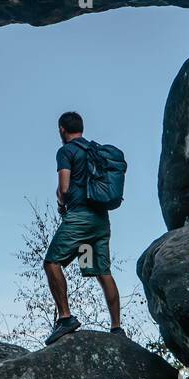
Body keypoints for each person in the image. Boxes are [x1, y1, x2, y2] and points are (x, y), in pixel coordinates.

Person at [42, 111, 124, 345]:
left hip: (79, 218)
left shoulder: (66, 151)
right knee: (102, 272)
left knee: (51, 262)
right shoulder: (94, 150)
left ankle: (66, 318)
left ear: (61, 129)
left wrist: (60, 204)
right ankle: (117, 328)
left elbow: (64, 188)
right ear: (82, 128)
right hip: (101, 220)